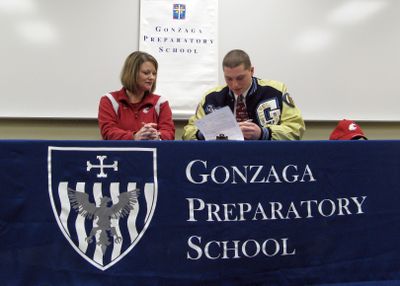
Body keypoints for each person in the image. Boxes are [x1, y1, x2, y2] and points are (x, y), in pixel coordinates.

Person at [182, 49, 305, 140]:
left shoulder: (276, 91)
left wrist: (263, 133)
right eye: (229, 79)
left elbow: (296, 129)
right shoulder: (211, 98)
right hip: (222, 160)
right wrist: (206, 133)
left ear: (251, 71)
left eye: (240, 78)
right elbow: (188, 134)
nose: (235, 85)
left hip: (268, 158)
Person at [98, 51, 175, 140]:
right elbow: (108, 131)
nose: (152, 77)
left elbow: (169, 132)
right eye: (146, 73)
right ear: (132, 73)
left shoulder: (161, 102)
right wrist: (134, 136)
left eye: (154, 74)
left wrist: (157, 136)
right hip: (119, 153)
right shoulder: (109, 100)